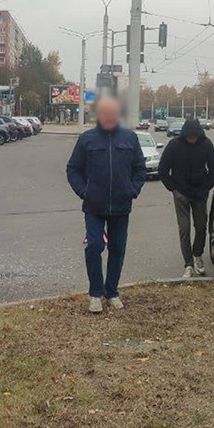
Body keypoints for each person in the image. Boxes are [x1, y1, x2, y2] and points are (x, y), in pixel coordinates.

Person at [66, 96, 146, 313]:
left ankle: (112, 292)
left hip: (121, 206)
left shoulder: (129, 138)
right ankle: (95, 293)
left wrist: (133, 189)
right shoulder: (87, 139)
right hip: (94, 206)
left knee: (117, 249)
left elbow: (140, 168)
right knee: (94, 246)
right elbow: (73, 168)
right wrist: (84, 191)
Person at [159, 118, 214, 278]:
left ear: (199, 134)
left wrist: (206, 187)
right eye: (189, 136)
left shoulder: (206, 144)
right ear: (184, 134)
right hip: (181, 193)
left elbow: (213, 168)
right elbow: (163, 168)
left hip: (200, 193)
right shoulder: (174, 145)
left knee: (201, 226)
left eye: (195, 136)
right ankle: (188, 264)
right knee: (184, 229)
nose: (192, 138)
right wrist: (172, 188)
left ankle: (198, 255)